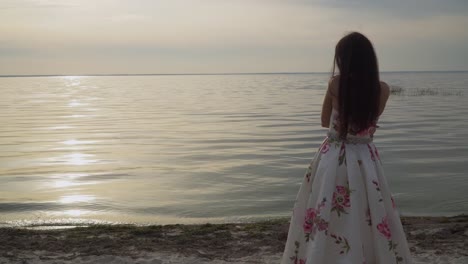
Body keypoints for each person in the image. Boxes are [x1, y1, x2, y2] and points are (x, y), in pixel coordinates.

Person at [280, 32, 412, 264]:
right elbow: (368, 122)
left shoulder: (336, 83)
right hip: (365, 157)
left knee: (326, 207)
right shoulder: (383, 89)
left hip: (335, 156)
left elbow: (323, 121)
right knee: (367, 209)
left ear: (343, 59)